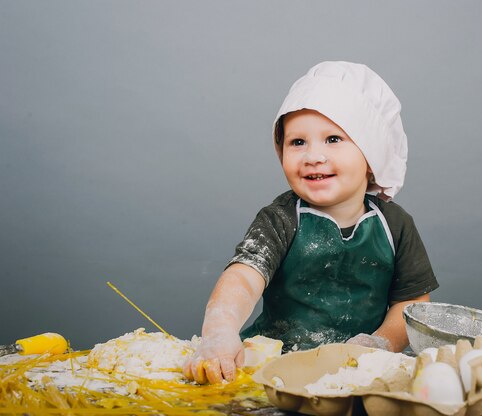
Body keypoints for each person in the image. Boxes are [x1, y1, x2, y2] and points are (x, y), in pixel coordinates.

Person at [183, 61, 439, 384]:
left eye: (333, 139)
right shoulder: (280, 219)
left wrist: (380, 344)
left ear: (373, 156)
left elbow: (411, 303)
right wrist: (220, 330)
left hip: (361, 375)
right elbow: (243, 279)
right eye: (297, 142)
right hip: (274, 373)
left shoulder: (396, 227)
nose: (313, 156)